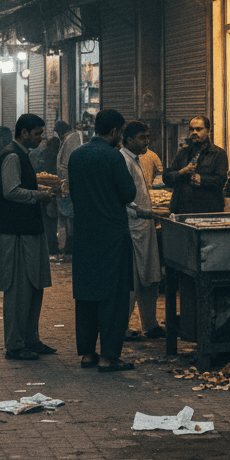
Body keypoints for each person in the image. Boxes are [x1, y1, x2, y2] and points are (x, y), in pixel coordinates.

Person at [68, 108, 137, 372]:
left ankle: (87, 354)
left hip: (84, 235)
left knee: (86, 295)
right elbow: (128, 193)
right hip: (111, 237)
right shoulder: (113, 157)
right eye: (120, 132)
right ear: (115, 132)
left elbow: (74, 193)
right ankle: (109, 356)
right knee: (113, 297)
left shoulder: (77, 156)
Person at [0, 114, 56, 360]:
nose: (41, 138)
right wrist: (37, 195)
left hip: (30, 229)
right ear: (24, 133)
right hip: (17, 232)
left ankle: (31, 338)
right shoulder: (12, 155)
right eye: (38, 133)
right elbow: (11, 191)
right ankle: (15, 343)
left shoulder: (23, 154)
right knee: (18, 289)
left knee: (34, 285)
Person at [120, 121, 164, 339]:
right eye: (142, 137)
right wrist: (145, 213)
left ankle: (150, 324)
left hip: (145, 228)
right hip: (134, 228)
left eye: (148, 137)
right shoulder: (123, 160)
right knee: (133, 280)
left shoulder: (138, 159)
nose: (147, 141)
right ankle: (121, 327)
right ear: (128, 140)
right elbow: (123, 201)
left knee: (150, 277)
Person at [162, 115, 229, 214]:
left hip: (207, 211)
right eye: (191, 129)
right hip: (182, 210)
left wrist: (202, 180)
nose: (194, 133)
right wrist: (181, 172)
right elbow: (167, 178)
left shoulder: (218, 153)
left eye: (198, 129)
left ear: (208, 131)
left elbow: (221, 181)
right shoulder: (183, 152)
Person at [28, 124, 62, 255]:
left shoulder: (39, 153)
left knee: (45, 220)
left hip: (40, 191)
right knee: (50, 221)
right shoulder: (54, 156)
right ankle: (51, 247)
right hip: (50, 193)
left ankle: (45, 246)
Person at [56, 119, 85, 254]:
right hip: (67, 185)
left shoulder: (71, 140)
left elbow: (69, 165)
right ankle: (69, 243)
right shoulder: (69, 139)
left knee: (72, 217)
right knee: (68, 217)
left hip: (71, 186)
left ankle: (72, 244)